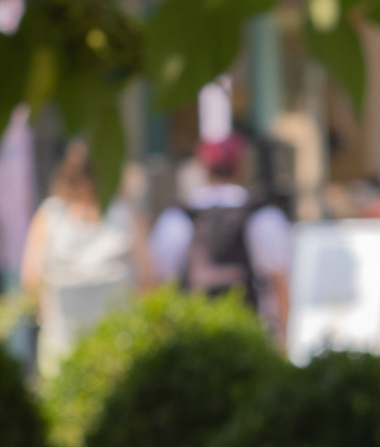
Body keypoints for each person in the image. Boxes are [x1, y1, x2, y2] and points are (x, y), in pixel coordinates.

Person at [19, 141, 152, 379]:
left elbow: (30, 281)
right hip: (118, 344)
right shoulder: (125, 213)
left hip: (63, 347)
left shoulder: (49, 216)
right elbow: (149, 280)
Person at [149, 133, 291, 339]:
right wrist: (283, 344)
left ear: (202, 167)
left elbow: (156, 282)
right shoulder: (263, 216)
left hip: (193, 337)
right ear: (242, 166)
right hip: (250, 338)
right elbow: (280, 285)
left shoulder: (177, 218)